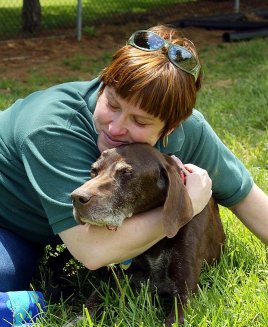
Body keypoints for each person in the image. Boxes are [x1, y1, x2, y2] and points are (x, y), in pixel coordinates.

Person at [0, 26, 267, 293]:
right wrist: (189, 205)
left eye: (140, 121)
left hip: (47, 231)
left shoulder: (189, 130)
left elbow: (248, 200)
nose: (116, 128)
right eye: (113, 105)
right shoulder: (52, 127)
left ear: (170, 127)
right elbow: (93, 251)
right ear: (103, 84)